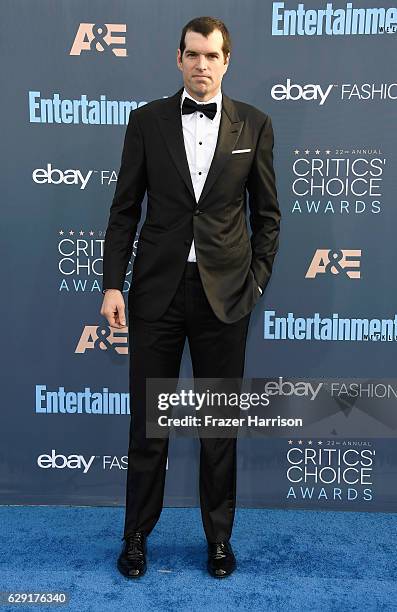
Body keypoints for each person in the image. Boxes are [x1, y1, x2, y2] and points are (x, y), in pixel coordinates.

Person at [100, 15, 281, 579]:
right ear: (177, 58)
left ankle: (219, 541)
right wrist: (112, 283)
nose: (202, 65)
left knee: (218, 428)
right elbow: (125, 209)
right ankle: (135, 537)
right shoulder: (146, 122)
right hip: (156, 295)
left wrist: (254, 283)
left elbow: (267, 217)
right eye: (193, 54)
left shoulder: (255, 124)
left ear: (227, 62)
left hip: (226, 297)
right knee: (149, 427)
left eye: (212, 56)